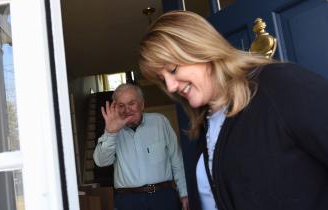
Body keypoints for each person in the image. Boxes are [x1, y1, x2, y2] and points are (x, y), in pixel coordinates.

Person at [138, 10, 328, 210]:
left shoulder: (281, 84)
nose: (170, 87)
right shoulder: (207, 122)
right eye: (162, 79)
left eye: (172, 70)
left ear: (199, 47)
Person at [93, 83, 189, 210]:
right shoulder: (111, 130)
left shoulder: (160, 122)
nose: (127, 110)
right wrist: (111, 133)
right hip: (128, 200)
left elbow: (177, 160)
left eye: (132, 103)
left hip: (163, 197)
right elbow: (101, 162)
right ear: (115, 108)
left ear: (142, 104)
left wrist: (184, 193)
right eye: (121, 105)